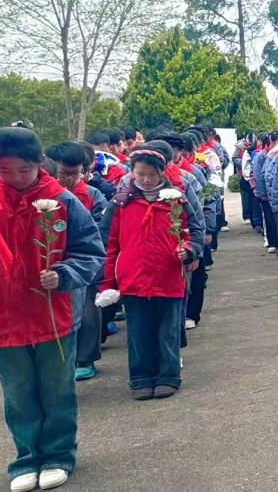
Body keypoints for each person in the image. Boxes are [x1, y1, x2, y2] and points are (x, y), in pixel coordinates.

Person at [0, 128, 103, 492]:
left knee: (56, 390)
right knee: (17, 393)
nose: (16, 178)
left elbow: (91, 252)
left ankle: (58, 455)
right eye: (6, 171)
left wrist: (64, 274)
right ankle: (26, 457)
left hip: (51, 315)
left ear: (39, 164)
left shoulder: (62, 200)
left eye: (24, 169)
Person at [98, 146, 202, 402]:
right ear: (132, 173)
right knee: (138, 331)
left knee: (168, 330)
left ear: (161, 174)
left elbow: (196, 232)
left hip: (168, 276)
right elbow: (108, 243)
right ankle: (141, 377)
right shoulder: (120, 203)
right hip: (133, 278)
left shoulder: (177, 200)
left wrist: (188, 250)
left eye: (151, 175)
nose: (145, 180)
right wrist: (107, 282)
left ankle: (168, 376)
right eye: (140, 174)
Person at [45, 142, 110, 383]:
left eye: (75, 173)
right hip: (51, 267)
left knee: (87, 314)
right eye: (63, 174)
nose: (69, 179)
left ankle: (85, 358)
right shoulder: (45, 197)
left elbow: (101, 232)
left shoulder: (93, 196)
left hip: (83, 265)